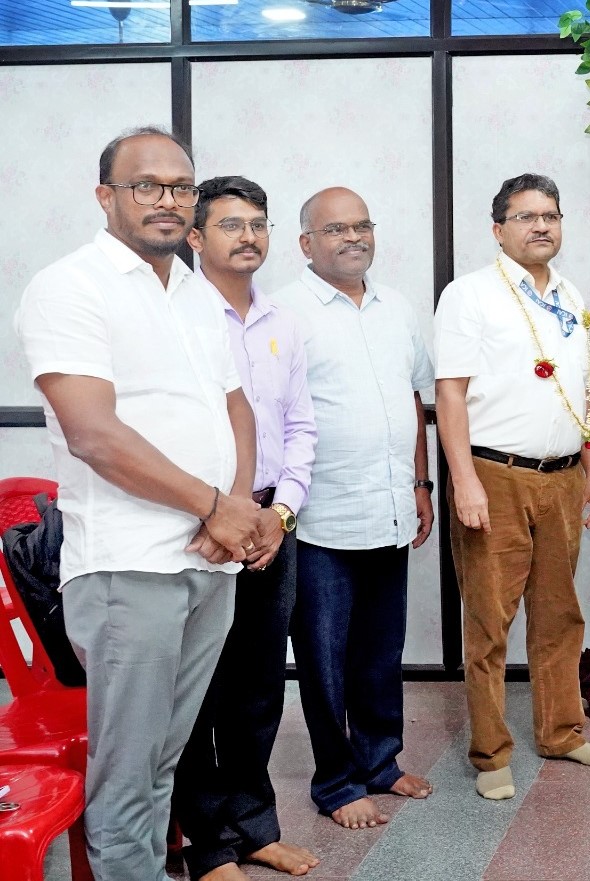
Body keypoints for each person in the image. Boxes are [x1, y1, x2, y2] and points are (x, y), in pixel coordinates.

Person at [14, 125, 264, 880]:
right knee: (126, 783)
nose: (166, 200)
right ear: (106, 196)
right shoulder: (69, 286)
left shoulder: (192, 289)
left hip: (209, 563)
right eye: (146, 185)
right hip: (129, 566)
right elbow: (93, 433)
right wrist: (213, 506)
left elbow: (237, 407)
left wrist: (240, 507)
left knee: (165, 762)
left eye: (180, 187)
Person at [435, 174, 590, 802]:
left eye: (551, 215)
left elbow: (585, 394)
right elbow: (449, 393)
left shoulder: (569, 295)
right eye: (526, 216)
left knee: (560, 616)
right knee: (489, 622)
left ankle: (561, 731)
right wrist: (464, 482)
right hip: (494, 476)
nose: (541, 226)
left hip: (563, 478)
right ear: (498, 228)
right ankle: (490, 752)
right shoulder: (470, 295)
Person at [172, 176, 321, 880]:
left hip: (272, 523)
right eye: (231, 225)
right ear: (196, 238)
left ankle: (254, 827)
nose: (249, 236)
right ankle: (206, 847)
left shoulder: (283, 320)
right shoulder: (177, 316)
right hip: (198, 525)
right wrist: (223, 512)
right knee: (196, 690)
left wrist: (280, 512)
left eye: (258, 223)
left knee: (259, 686)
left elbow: (300, 426)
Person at [274, 186, 435, 829]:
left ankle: (380, 762)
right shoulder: (282, 311)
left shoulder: (396, 307)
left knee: (379, 650)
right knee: (323, 659)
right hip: (318, 518)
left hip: (392, 507)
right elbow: (271, 416)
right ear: (306, 243)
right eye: (336, 229)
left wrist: (421, 486)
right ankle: (336, 782)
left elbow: (415, 403)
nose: (353, 238)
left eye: (362, 225)